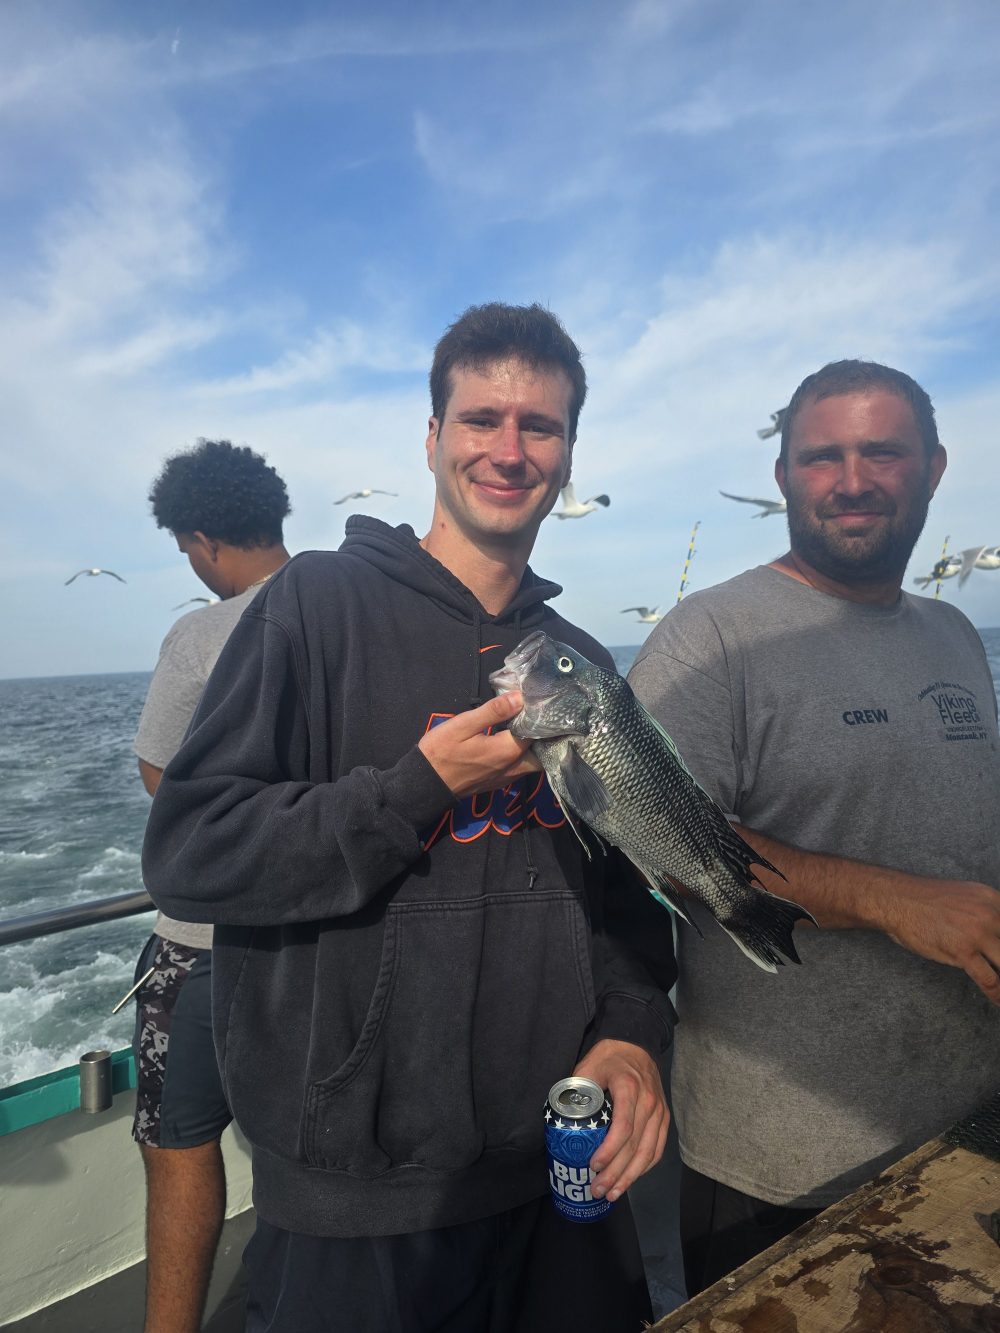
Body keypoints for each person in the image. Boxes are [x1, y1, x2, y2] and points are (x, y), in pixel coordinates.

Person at [141, 303, 676, 1333]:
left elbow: (622, 899)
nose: (509, 451)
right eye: (481, 420)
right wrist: (413, 788)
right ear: (431, 441)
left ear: (568, 456)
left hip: (559, 1179)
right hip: (353, 1213)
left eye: (541, 427)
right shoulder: (312, 609)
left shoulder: (579, 664)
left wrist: (631, 1036)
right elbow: (190, 851)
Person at [629, 359, 1000, 1296]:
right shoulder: (710, 637)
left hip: (968, 1116)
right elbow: (661, 854)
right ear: (785, 474)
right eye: (821, 456)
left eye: (882, 451)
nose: (852, 478)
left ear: (935, 468)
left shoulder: (955, 633)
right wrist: (894, 900)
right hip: (781, 1163)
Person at [131, 438, 291, 1333]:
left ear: (201, 539)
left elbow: (161, 775)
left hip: (202, 947)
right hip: (315, 938)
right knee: (299, 1154)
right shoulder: (346, 601)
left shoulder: (200, 632)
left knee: (178, 1141)